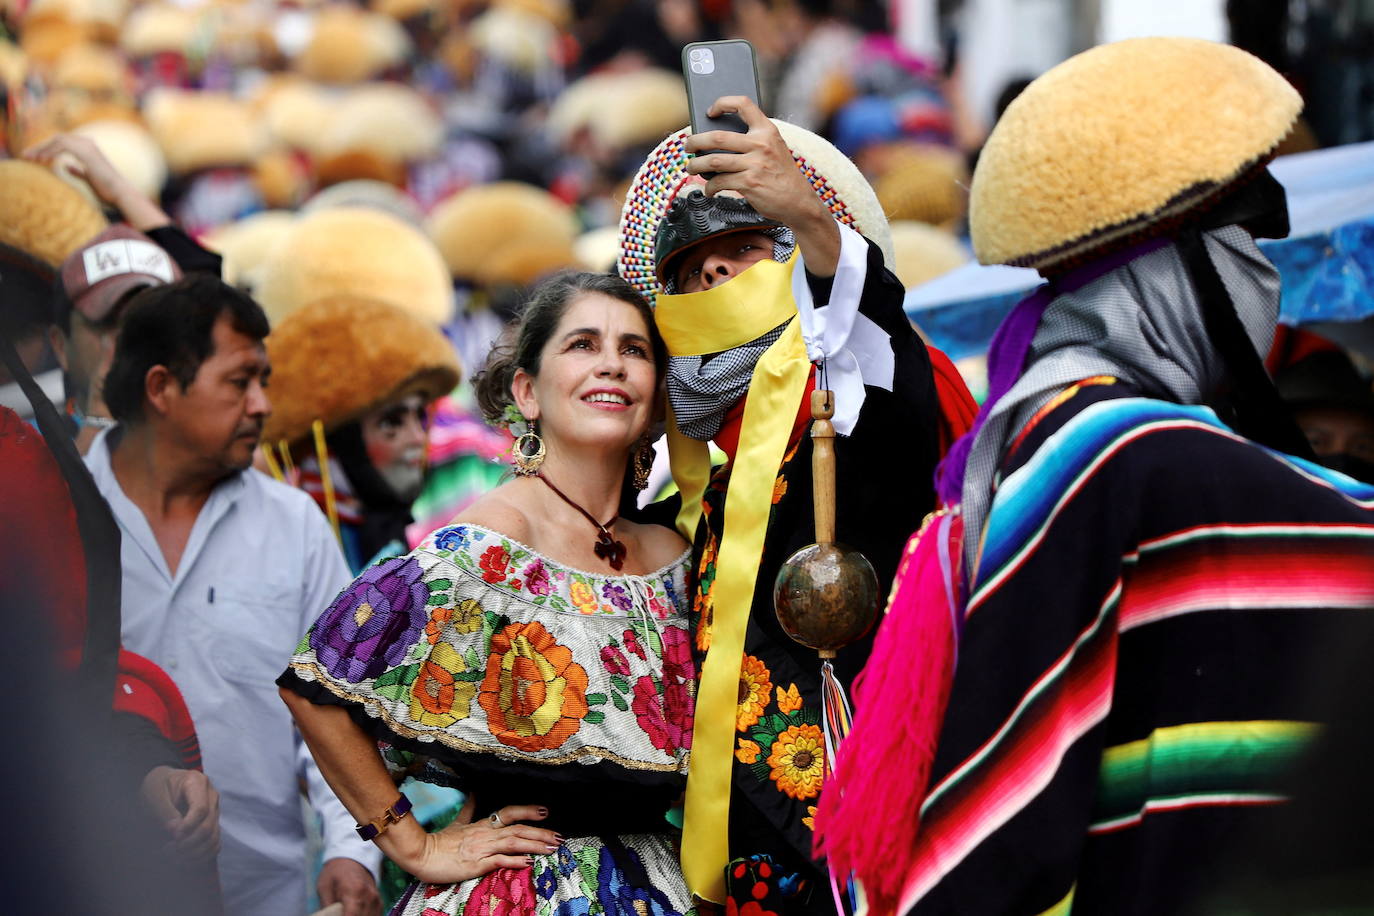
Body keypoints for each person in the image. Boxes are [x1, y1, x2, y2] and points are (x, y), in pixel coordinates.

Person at [818, 38, 1374, 915]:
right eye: (1250, 239)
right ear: (1176, 272)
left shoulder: (1050, 429)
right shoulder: (1121, 451)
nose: (1267, 274)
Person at [616, 97, 956, 910]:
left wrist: (804, 210)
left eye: (741, 251)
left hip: (866, 840)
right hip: (741, 858)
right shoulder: (697, 492)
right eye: (693, 273)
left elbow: (866, 331)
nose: (713, 278)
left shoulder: (866, 406)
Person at [277, 272, 697, 915]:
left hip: (665, 887)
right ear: (527, 391)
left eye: (634, 350)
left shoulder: (678, 554)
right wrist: (414, 845)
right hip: (520, 891)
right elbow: (315, 688)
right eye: (583, 344)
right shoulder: (490, 542)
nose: (611, 364)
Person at [84, 274, 382, 916]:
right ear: (161, 388)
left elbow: (339, 709)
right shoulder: (64, 514)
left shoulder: (295, 525)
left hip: (267, 896)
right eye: (239, 381)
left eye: (264, 381)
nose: (262, 405)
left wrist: (352, 849)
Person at [258, 294, 462, 573]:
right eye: (392, 423)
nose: (417, 438)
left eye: (420, 417)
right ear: (343, 442)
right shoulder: (291, 546)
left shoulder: (412, 533)